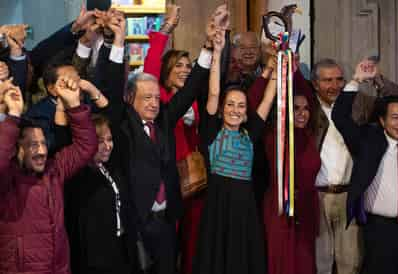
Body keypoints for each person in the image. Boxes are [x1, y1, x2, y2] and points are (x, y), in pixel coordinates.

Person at [98, 6, 215, 274]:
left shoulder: (163, 119)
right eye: (147, 98)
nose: (154, 103)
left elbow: (190, 90)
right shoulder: (123, 124)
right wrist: (118, 41)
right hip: (136, 222)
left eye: (156, 97)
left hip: (166, 221)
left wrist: (208, 47)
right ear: (130, 100)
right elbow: (113, 87)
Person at [192, 26, 275, 274]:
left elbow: (268, 100)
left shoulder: (250, 134)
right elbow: (215, 91)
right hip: (217, 211)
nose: (235, 110)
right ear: (221, 109)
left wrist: (278, 66)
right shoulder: (211, 132)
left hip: (245, 211)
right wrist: (217, 53)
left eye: (241, 105)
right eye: (230, 105)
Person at [0, 76, 97, 274]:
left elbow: (86, 147)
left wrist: (74, 105)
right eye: (33, 145)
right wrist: (14, 116)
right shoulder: (6, 178)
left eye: (43, 143)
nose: (42, 151)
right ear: (17, 149)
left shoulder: (54, 170)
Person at [332, 59, 398, 274]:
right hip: (379, 230)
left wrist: (379, 80)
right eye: (395, 118)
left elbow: (396, 95)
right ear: (383, 121)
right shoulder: (368, 141)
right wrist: (357, 80)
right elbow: (340, 117)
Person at [248, 56, 321, 274]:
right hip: (280, 208)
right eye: (296, 108)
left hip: (307, 210)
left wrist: (295, 70)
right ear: (286, 111)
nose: (302, 113)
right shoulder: (275, 136)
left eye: (305, 109)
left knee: (304, 265)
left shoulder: (310, 136)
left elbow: (307, 96)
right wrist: (268, 72)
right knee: (282, 263)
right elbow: (253, 104)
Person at [297, 58, 362, 274]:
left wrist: (376, 79)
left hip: (348, 196)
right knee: (320, 263)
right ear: (314, 83)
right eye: (327, 80)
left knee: (350, 263)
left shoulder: (356, 106)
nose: (335, 86)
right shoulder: (306, 108)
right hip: (318, 197)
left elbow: (393, 100)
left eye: (339, 79)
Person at [61, 114, 130, 274]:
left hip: (118, 250)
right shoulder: (78, 175)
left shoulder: (109, 167)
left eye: (109, 139)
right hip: (94, 260)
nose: (108, 146)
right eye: (100, 141)